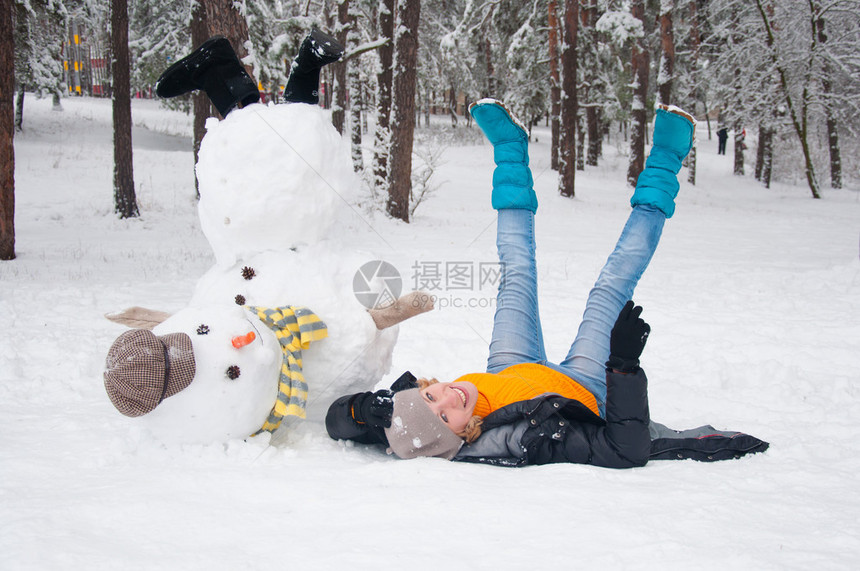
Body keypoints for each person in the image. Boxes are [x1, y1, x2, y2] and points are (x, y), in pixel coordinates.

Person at [326, 100, 769, 467]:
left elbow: (336, 421)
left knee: (515, 272)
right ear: (457, 439)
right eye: (445, 417)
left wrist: (368, 408)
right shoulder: (516, 441)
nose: (448, 399)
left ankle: (510, 149)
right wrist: (622, 367)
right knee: (610, 286)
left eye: (430, 396)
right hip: (586, 387)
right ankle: (667, 162)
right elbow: (625, 449)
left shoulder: (406, 419)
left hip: (507, 367)